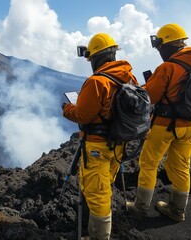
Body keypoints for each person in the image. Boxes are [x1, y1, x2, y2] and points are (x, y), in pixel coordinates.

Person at [62, 33, 139, 239]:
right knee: (105, 184)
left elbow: (82, 115)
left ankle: (99, 236)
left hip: (97, 146)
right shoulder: (129, 77)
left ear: (95, 58)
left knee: (97, 193)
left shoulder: (96, 82)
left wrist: (67, 108)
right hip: (119, 144)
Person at [126, 23, 191, 222]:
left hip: (165, 125)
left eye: (160, 45)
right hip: (190, 126)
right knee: (181, 166)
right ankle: (177, 211)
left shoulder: (168, 67)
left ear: (166, 44)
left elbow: (150, 97)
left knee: (148, 163)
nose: (159, 50)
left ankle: (140, 207)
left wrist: (144, 86)